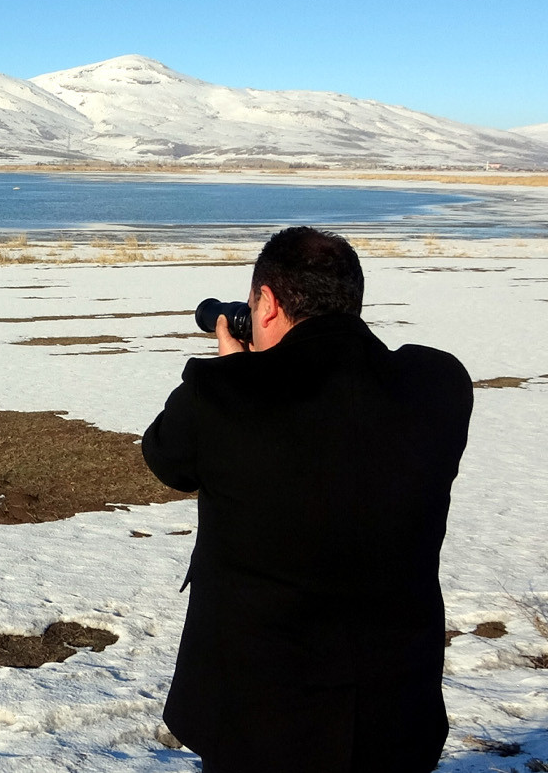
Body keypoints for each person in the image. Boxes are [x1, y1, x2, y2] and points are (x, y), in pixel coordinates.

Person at [141, 227, 473, 773]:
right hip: (394, 707)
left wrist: (234, 369)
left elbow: (166, 459)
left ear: (266, 303)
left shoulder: (224, 392)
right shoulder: (437, 384)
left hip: (260, 716)